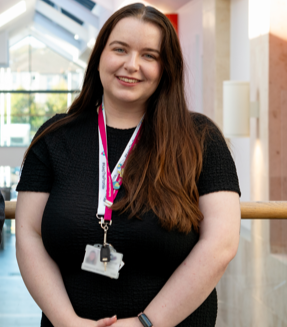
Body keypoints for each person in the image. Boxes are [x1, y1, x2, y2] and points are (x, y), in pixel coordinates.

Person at [15, 3, 241, 327]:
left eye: (149, 55)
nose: (131, 65)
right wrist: (67, 322)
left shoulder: (200, 138)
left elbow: (220, 244)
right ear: (99, 57)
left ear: (166, 68)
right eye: (119, 49)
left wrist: (145, 323)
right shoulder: (55, 136)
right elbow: (28, 234)